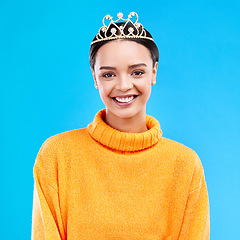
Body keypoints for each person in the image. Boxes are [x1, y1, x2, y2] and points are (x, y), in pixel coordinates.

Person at [31, 12, 210, 239]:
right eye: (108, 74)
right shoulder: (57, 155)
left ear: (153, 72)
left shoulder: (185, 164)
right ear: (95, 78)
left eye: (137, 72)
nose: (124, 85)